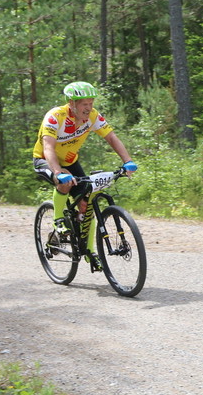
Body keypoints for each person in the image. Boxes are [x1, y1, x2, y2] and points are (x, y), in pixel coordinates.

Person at [32, 81, 137, 272]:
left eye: (91, 103)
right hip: (45, 160)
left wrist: (127, 161)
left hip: (70, 161)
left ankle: (89, 251)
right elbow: (48, 148)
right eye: (84, 104)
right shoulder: (55, 117)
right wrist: (58, 172)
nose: (88, 108)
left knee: (86, 204)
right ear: (71, 103)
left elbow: (111, 137)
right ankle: (58, 220)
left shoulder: (93, 116)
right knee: (64, 183)